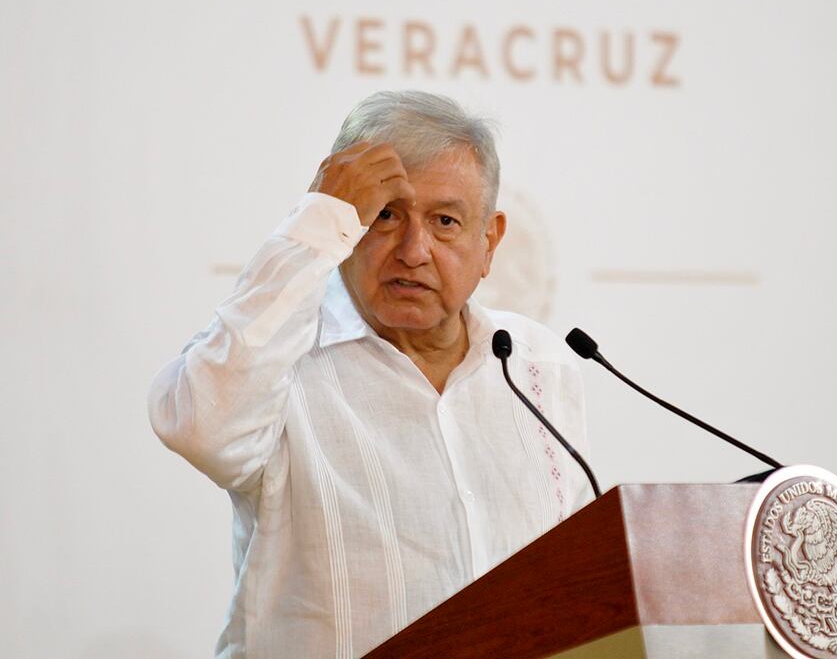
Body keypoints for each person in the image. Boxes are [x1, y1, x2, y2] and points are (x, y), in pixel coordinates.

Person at [148, 90, 592, 658]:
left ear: (490, 242)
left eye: (445, 221)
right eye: (385, 216)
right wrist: (319, 219)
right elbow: (199, 427)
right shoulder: (281, 356)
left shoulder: (538, 364)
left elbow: (573, 574)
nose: (413, 250)